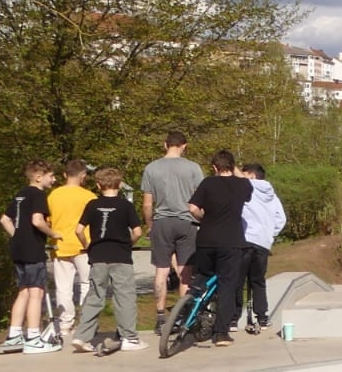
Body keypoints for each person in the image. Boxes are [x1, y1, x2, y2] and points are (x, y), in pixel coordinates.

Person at [71, 168, 144, 350]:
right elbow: (137, 232)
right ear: (119, 185)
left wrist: (88, 244)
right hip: (120, 256)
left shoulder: (92, 204)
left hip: (98, 255)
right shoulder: (125, 206)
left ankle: (82, 336)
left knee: (95, 295)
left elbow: (79, 230)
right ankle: (129, 337)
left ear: (98, 185)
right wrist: (128, 243)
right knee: (124, 296)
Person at [141, 131, 205, 336]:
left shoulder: (151, 168)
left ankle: (160, 317)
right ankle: (184, 315)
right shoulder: (193, 168)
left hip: (162, 221)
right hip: (187, 221)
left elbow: (147, 204)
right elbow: (200, 198)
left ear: (165, 144)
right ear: (184, 146)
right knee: (185, 272)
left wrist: (150, 225)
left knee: (161, 271)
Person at [187, 150, 252, 347]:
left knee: (201, 278)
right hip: (231, 242)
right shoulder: (242, 185)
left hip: (206, 239)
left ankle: (188, 316)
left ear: (214, 167)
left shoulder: (208, 183)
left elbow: (192, 208)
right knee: (227, 286)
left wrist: (203, 218)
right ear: (233, 166)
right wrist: (235, 169)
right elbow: (247, 184)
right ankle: (221, 333)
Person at [0, 161, 63, 353]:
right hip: (33, 249)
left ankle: (14, 335)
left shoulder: (21, 194)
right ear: (38, 177)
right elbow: (37, 220)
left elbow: (5, 219)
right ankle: (34, 337)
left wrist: (18, 236)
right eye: (51, 176)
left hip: (18, 249)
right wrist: (53, 233)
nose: (54, 179)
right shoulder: (38, 194)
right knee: (37, 292)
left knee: (24, 291)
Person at [48, 160, 95, 339]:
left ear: (64, 175)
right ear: (83, 175)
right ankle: (86, 322)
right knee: (86, 284)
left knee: (63, 287)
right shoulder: (88, 196)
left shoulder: (53, 195)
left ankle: (65, 324)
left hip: (60, 245)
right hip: (84, 245)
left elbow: (48, 220)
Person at [236, 163, 286, 332]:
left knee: (238, 280)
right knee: (258, 281)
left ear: (252, 175)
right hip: (263, 243)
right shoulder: (272, 196)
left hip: (245, 240)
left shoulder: (246, 188)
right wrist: (270, 234)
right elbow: (281, 219)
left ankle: (233, 318)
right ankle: (262, 318)